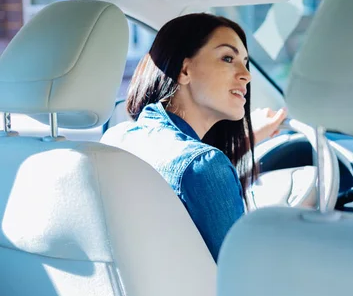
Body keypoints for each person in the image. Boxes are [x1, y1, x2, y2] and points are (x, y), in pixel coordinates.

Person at [102, 13, 287, 261]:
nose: (247, 75)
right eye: (228, 58)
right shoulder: (203, 165)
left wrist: (247, 138)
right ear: (184, 70)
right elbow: (242, 273)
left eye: (245, 62)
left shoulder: (118, 138)